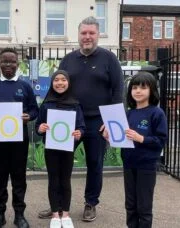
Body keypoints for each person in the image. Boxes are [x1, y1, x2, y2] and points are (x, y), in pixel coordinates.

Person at [38, 16, 124, 221]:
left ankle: (90, 203)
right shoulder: (68, 59)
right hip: (68, 120)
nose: (87, 37)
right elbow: (59, 87)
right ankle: (57, 205)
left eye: (91, 33)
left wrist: (111, 123)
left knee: (95, 163)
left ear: (98, 34)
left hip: (97, 121)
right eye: (83, 33)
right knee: (59, 164)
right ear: (78, 35)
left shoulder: (109, 59)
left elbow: (118, 91)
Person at [0, 48, 39, 228]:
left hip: (19, 140)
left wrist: (30, 116)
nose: (8, 65)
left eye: (12, 62)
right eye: (4, 61)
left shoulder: (25, 86)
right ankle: (0, 215)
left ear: (17, 65)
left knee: (19, 178)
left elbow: (35, 109)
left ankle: (19, 215)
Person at [103, 72, 168, 228]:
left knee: (144, 207)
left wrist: (141, 139)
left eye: (143, 88)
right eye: (134, 87)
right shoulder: (128, 113)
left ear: (152, 90)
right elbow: (120, 137)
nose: (138, 91)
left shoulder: (157, 113)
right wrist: (109, 135)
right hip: (129, 164)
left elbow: (161, 141)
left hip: (146, 166)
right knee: (130, 205)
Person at [35, 70, 85, 228]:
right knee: (53, 180)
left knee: (65, 180)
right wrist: (40, 128)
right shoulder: (47, 103)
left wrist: (79, 133)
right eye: (56, 80)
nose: (60, 83)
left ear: (68, 83)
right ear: (52, 83)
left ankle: (66, 214)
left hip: (67, 149)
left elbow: (82, 126)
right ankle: (55, 214)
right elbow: (38, 125)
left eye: (63, 80)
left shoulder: (75, 104)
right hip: (51, 150)